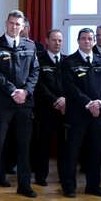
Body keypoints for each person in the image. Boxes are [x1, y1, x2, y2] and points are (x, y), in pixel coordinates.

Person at [0, 10, 40, 199]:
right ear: (6, 23)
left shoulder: (30, 46)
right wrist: (12, 90)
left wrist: (25, 91)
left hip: (24, 102)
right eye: (11, 23)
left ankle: (24, 185)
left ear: (23, 26)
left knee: (24, 145)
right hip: (3, 102)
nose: (14, 27)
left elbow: (35, 72)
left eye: (18, 24)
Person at [60, 28, 101, 198]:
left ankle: (93, 185)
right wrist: (89, 103)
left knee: (95, 152)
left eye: (90, 38)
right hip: (77, 114)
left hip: (98, 114)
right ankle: (69, 187)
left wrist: (99, 102)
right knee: (72, 151)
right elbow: (70, 88)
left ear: (94, 41)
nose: (87, 41)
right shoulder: (69, 62)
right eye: (83, 38)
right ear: (78, 41)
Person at [32, 29, 67, 188]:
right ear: (47, 41)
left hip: (65, 110)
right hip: (45, 109)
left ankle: (64, 175)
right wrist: (55, 100)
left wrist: (64, 99)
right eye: (54, 40)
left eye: (60, 40)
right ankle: (41, 176)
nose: (57, 43)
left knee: (64, 145)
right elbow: (39, 85)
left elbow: (71, 85)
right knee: (43, 145)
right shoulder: (39, 60)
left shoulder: (67, 61)